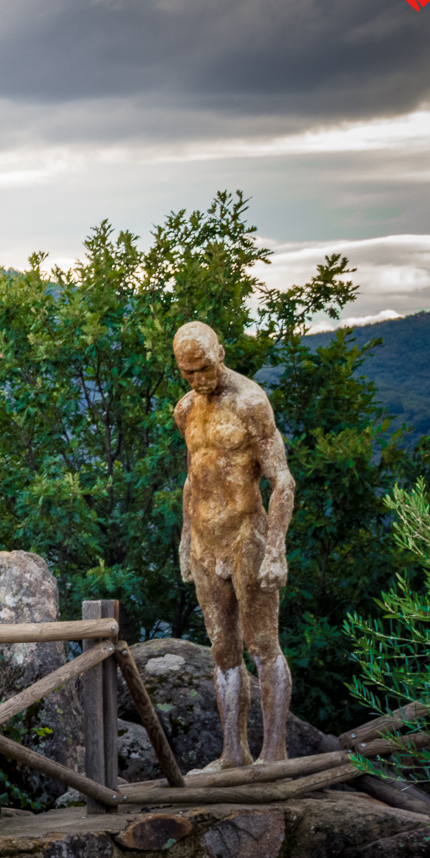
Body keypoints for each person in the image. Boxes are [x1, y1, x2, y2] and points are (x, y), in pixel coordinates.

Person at [173, 320, 297, 768]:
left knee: (262, 642)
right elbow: (193, 478)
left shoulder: (251, 402)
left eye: (204, 368)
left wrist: (277, 548)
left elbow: (282, 480)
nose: (199, 379)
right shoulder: (186, 409)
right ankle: (233, 752)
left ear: (220, 354)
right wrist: (187, 539)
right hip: (207, 540)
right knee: (222, 648)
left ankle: (275, 751)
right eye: (188, 372)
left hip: (248, 534)